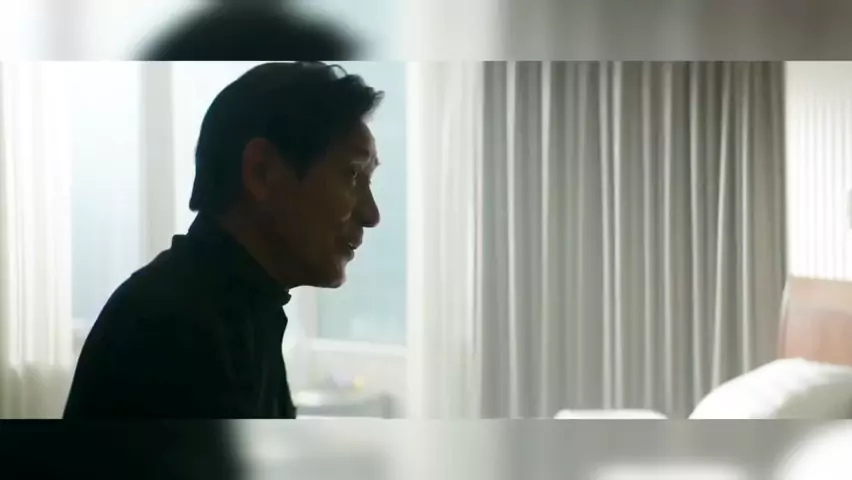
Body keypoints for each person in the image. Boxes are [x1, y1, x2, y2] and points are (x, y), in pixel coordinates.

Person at [63, 62, 383, 418]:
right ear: (261, 172)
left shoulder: (242, 308)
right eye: (352, 175)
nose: (372, 214)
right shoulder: (174, 329)